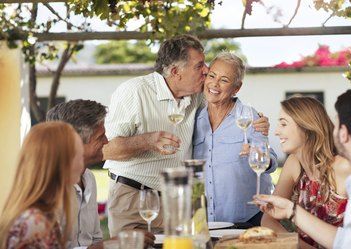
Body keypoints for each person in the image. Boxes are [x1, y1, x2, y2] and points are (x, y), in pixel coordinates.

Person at [103, 35, 270, 236]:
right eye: (199, 66)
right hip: (134, 198)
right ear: (175, 72)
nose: (206, 71)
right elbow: (106, 149)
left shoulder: (196, 96)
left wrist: (258, 121)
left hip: (177, 201)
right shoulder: (134, 92)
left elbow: (225, 99)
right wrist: (147, 141)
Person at [254, 89, 351, 249]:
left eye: (283, 124)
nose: (276, 131)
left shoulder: (344, 167)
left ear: (307, 127)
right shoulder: (294, 163)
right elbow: (268, 220)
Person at [46, 99, 155, 249]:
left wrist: (121, 240)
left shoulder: (88, 178)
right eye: (100, 137)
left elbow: (94, 240)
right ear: (75, 142)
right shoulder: (48, 189)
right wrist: (115, 242)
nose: (106, 142)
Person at [192, 51, 277, 227]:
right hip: (207, 221)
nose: (214, 84)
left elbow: (272, 161)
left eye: (224, 80)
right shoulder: (194, 118)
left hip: (247, 219)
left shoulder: (249, 116)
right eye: (212, 76)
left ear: (236, 87)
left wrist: (258, 156)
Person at [0, 121, 84, 249]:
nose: (82, 165)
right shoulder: (34, 224)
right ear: (60, 164)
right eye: (80, 157)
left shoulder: (38, 215)